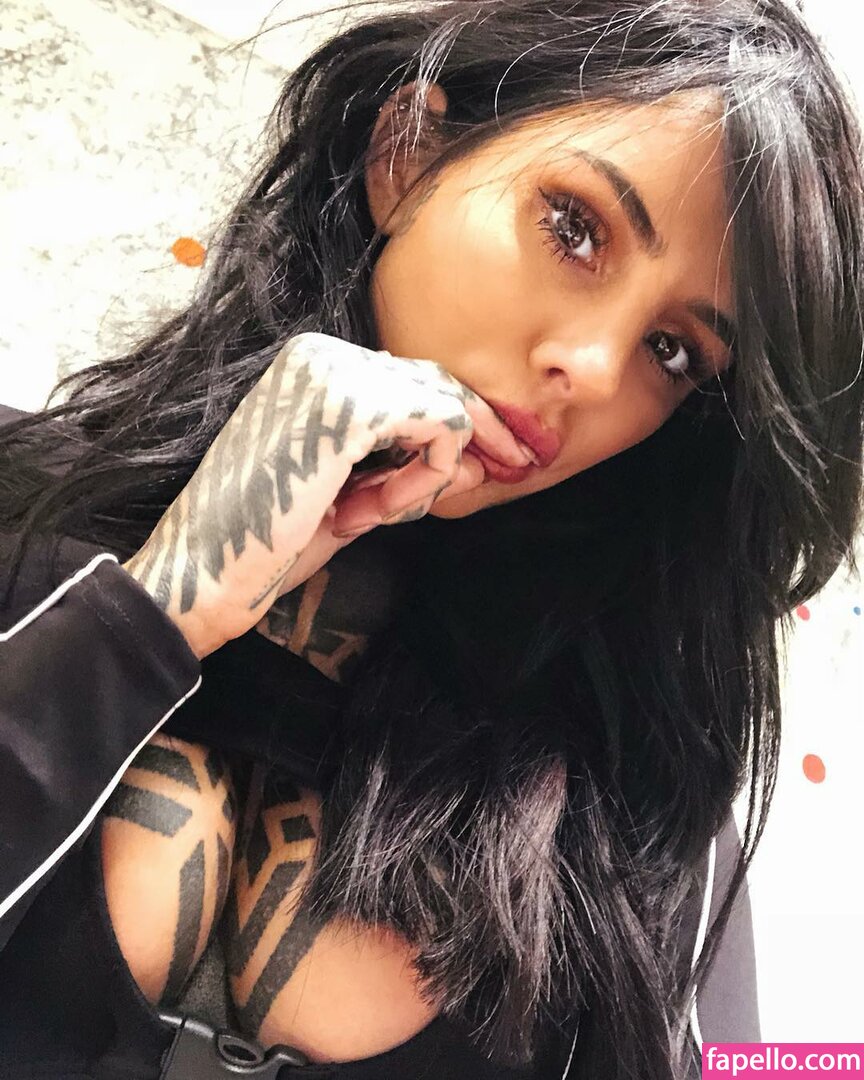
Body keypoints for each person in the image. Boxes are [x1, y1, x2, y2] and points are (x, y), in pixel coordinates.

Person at [0, 0, 861, 1077]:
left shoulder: (636, 777)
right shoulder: (21, 503)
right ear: (404, 156)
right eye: (575, 229)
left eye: (674, 352)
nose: (595, 370)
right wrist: (160, 608)